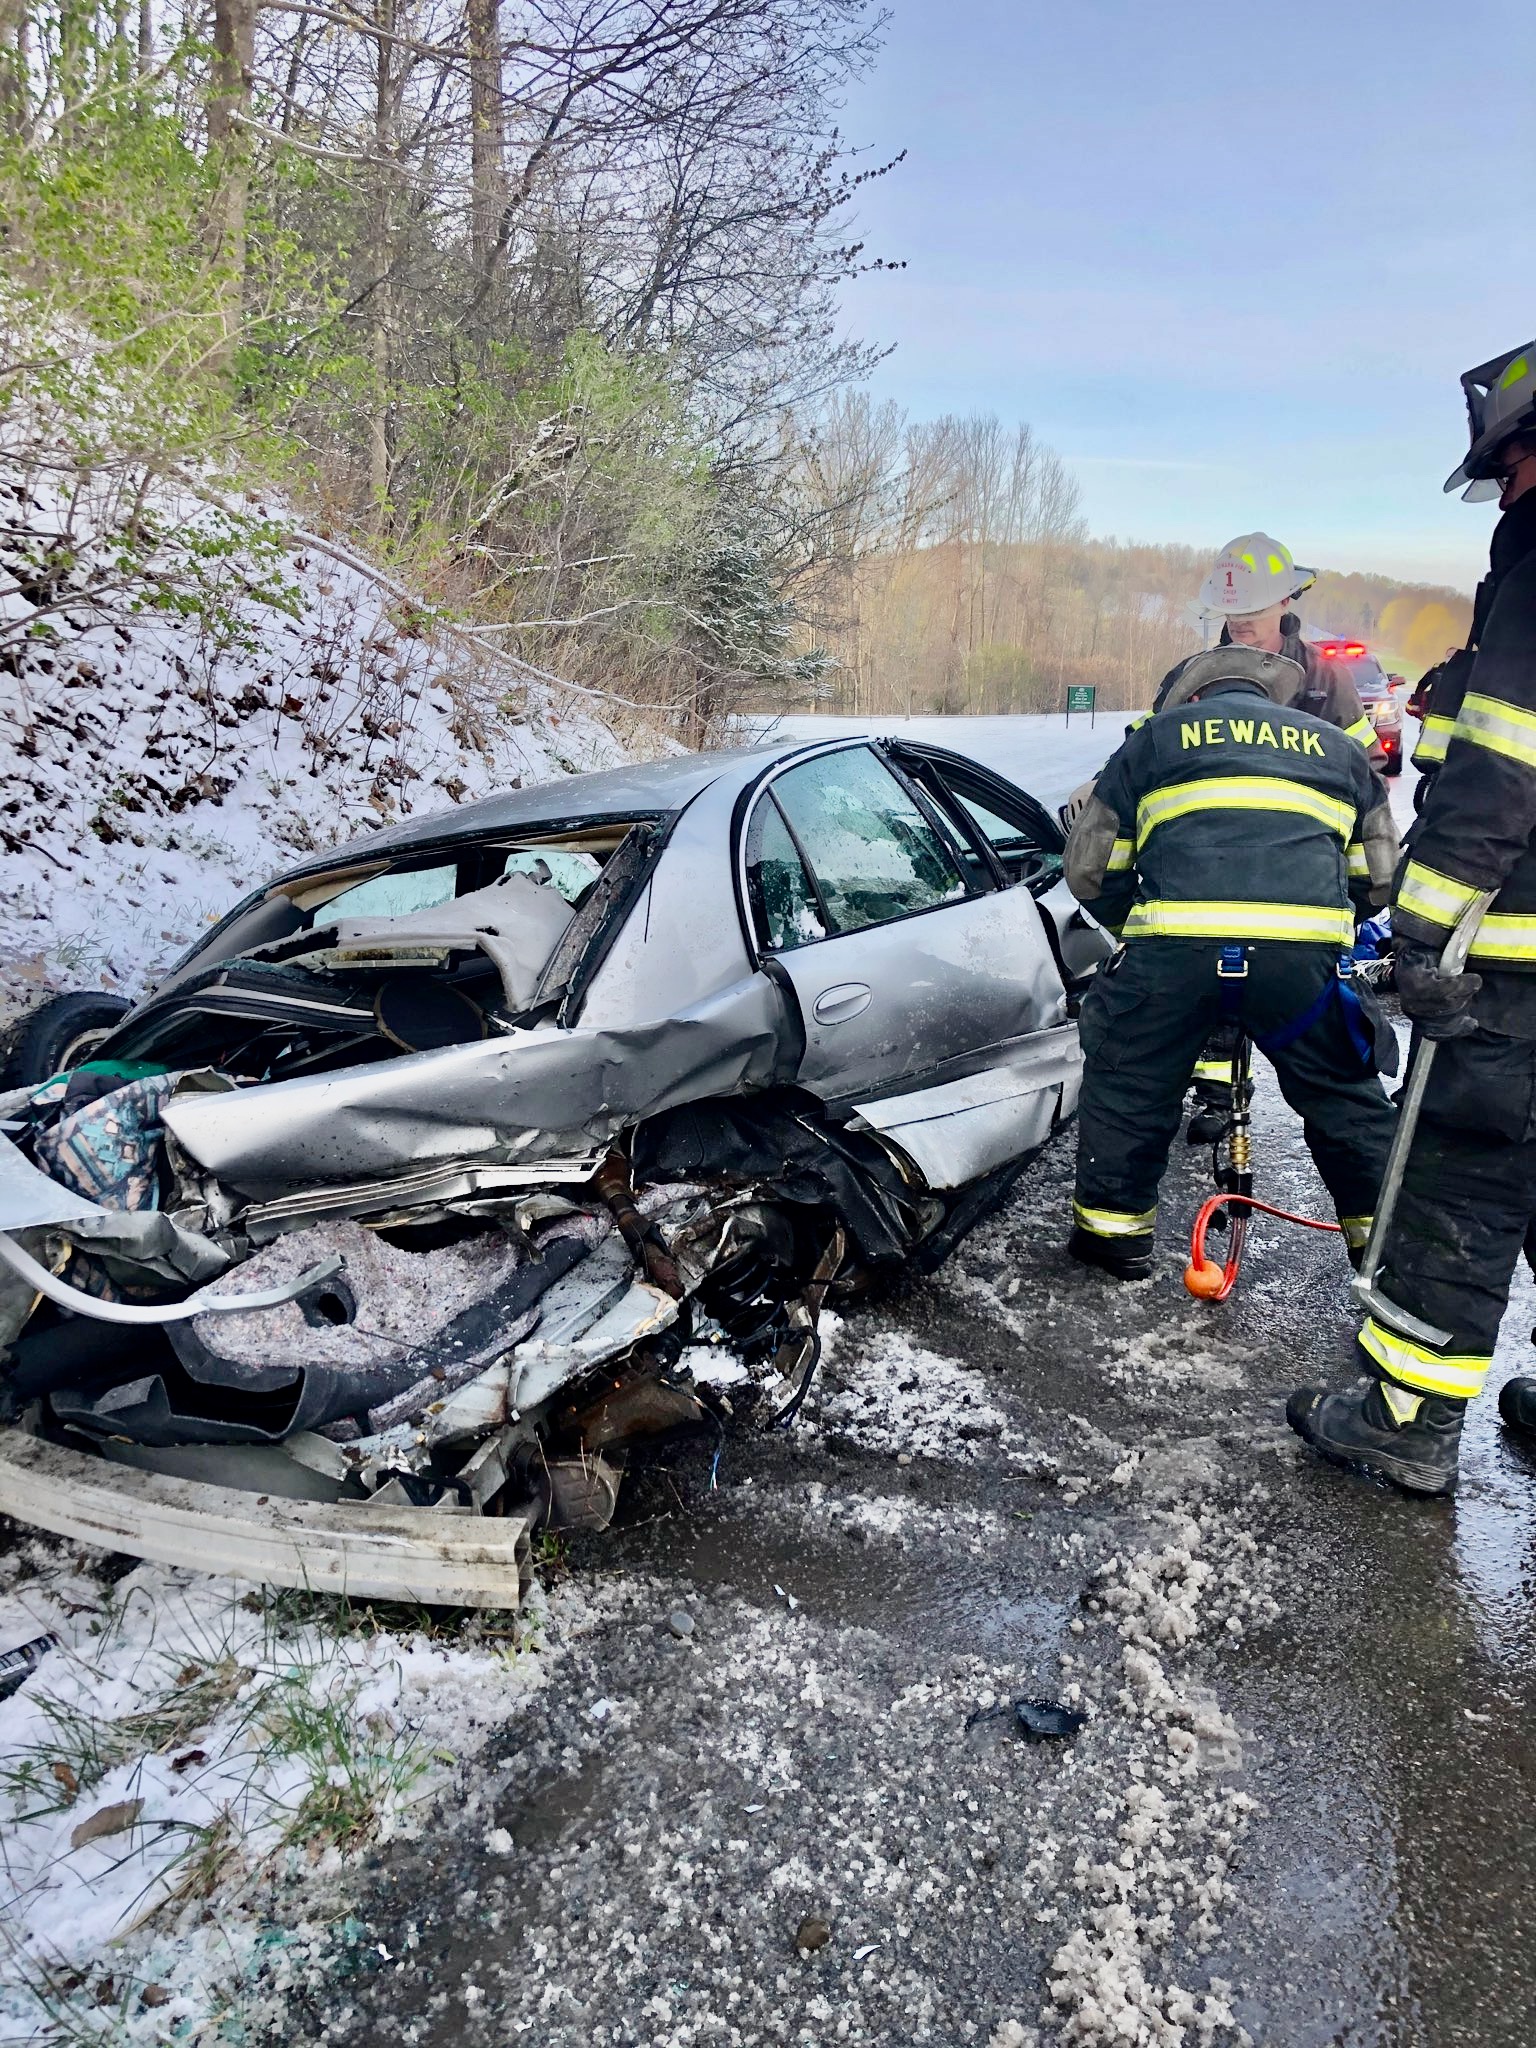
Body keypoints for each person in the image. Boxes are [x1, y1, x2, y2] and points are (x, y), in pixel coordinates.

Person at [1289, 341, 1536, 1496]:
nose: (1508, 499)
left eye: (1511, 472)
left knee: (1459, 1177)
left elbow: (1497, 771)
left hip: (1514, 975)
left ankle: (1402, 1414)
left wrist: (1427, 934)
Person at [1063, 644, 1399, 1282]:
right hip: (1298, 968)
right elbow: (1379, 878)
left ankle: (1114, 1238)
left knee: (1129, 1077)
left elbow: (1091, 868)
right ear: (1276, 702)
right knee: (1341, 1091)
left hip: (1173, 958)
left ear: (1194, 697)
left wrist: (1133, 928)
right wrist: (1322, 926)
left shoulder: (1155, 741)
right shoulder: (1337, 748)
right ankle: (1381, 1251)